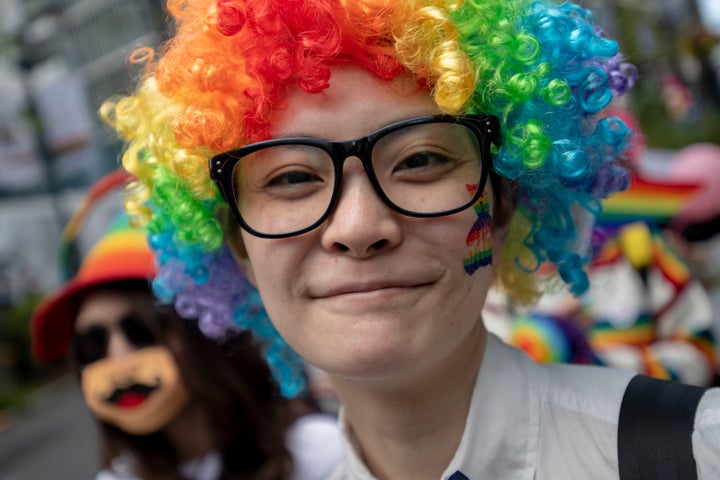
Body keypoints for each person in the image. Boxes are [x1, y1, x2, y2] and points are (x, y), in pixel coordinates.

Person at [100, 0, 720, 478]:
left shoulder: (696, 453)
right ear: (237, 243)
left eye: (421, 160)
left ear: (504, 201)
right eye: (290, 177)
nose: (359, 228)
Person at [30, 171, 342, 480]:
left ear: (203, 329)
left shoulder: (318, 454)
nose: (119, 360)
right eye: (93, 345)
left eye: (140, 332)